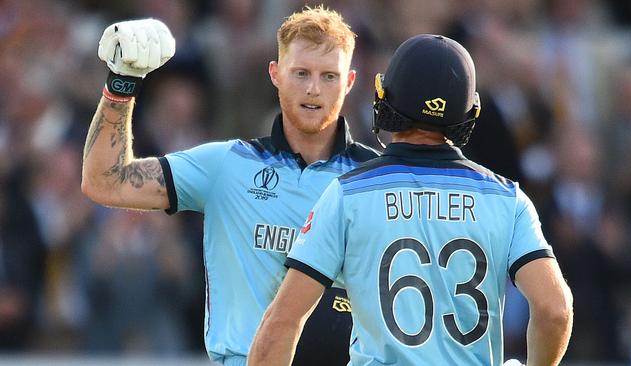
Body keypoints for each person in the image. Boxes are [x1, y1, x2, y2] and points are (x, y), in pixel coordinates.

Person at [249, 35, 574, 366]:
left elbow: (282, 322)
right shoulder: (508, 198)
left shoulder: (347, 193)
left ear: (384, 99)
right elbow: (555, 311)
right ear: (469, 111)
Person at [81, 6, 379, 365]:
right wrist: (121, 84)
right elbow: (105, 182)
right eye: (301, 73)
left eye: (329, 76)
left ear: (349, 82)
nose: (313, 89)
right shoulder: (228, 165)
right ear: (276, 74)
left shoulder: (376, 178)